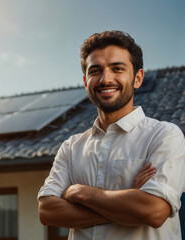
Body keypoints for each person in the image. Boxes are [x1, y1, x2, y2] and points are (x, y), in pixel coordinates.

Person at [38, 30, 185, 240]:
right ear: (85, 81)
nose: (105, 79)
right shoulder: (71, 147)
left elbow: (153, 211)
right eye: (95, 70)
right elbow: (47, 211)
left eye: (117, 68)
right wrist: (129, 202)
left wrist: (79, 193)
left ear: (137, 78)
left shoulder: (165, 136)